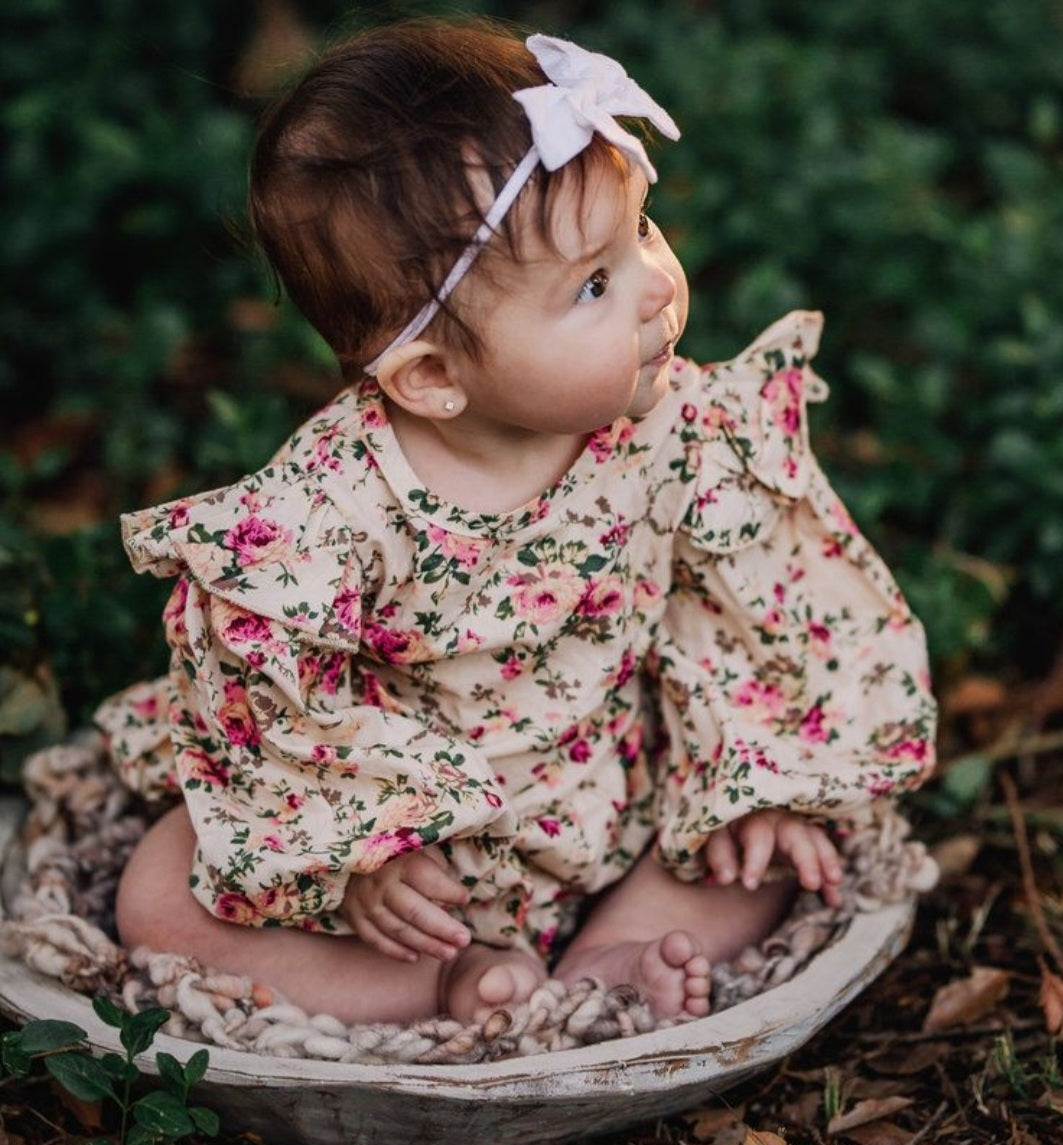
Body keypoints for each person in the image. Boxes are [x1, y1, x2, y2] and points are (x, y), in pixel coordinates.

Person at [99, 18, 936, 1027]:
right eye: (593, 283)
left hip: (614, 796)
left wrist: (754, 773)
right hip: (417, 865)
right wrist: (355, 847)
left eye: (641, 234)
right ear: (436, 377)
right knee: (160, 894)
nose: (656, 289)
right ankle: (447, 983)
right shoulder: (327, 509)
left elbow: (751, 598)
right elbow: (270, 689)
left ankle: (608, 954)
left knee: (756, 848)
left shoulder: (678, 425)